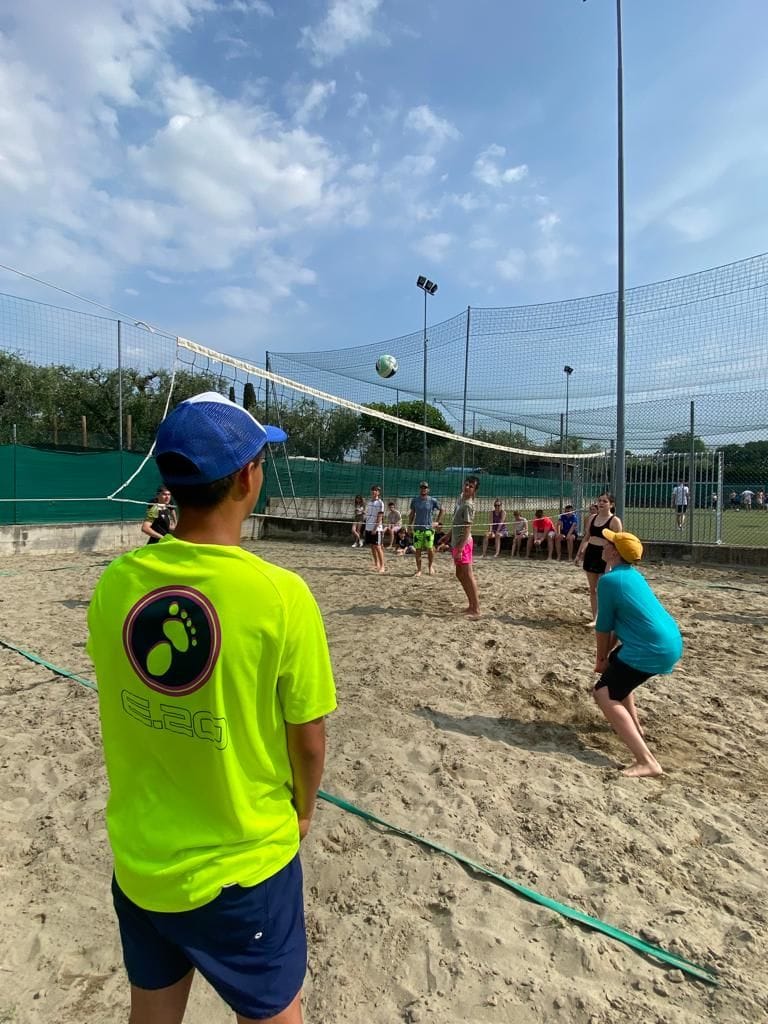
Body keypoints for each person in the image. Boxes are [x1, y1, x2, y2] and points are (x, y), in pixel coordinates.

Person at [86, 391, 337, 1024]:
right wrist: (304, 812)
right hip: (242, 867)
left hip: (143, 862)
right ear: (249, 476)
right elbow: (308, 738)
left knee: (152, 1014)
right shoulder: (281, 595)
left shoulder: (116, 583)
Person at [593, 528, 682, 778]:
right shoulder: (632, 576)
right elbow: (621, 627)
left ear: (615, 552)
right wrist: (605, 659)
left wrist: (600, 658)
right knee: (618, 672)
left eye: (609, 542)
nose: (604, 543)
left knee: (603, 693)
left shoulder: (609, 581)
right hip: (668, 641)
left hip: (651, 648)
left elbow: (604, 627)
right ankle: (636, 727)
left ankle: (646, 761)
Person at [574, 493, 622, 627]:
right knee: (593, 589)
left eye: (605, 501)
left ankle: (608, 617)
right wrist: (579, 554)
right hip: (591, 553)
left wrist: (611, 562)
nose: (601, 503)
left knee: (603, 588)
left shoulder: (614, 521)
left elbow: (617, 542)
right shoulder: (592, 518)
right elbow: (586, 537)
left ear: (611, 504)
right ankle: (596, 618)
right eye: (599, 501)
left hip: (605, 556)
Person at [442, 475, 480, 617]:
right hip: (456, 542)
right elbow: (456, 522)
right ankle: (470, 605)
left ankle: (475, 608)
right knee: (459, 574)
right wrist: (449, 534)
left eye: (471, 486)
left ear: (474, 490)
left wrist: (461, 548)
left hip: (463, 544)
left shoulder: (468, 505)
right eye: (466, 484)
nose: (467, 487)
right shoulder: (460, 499)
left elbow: (467, 528)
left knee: (468, 574)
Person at [408, 481, 442, 578]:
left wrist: (437, 522)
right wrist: (409, 525)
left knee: (430, 549)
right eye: (422, 488)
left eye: (425, 488)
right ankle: (419, 570)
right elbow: (412, 513)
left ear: (428, 489)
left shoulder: (432, 500)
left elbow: (442, 510)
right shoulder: (415, 500)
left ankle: (430, 566)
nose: (423, 489)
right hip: (418, 528)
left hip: (429, 528)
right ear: (420, 489)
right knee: (418, 550)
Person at [364, 484, 385, 573]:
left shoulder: (380, 503)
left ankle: (382, 566)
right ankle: (376, 564)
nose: (374, 491)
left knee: (378, 547)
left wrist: (375, 528)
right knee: (372, 546)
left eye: (376, 490)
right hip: (368, 527)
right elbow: (368, 515)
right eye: (373, 490)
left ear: (378, 492)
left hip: (377, 528)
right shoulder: (369, 503)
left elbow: (380, 517)